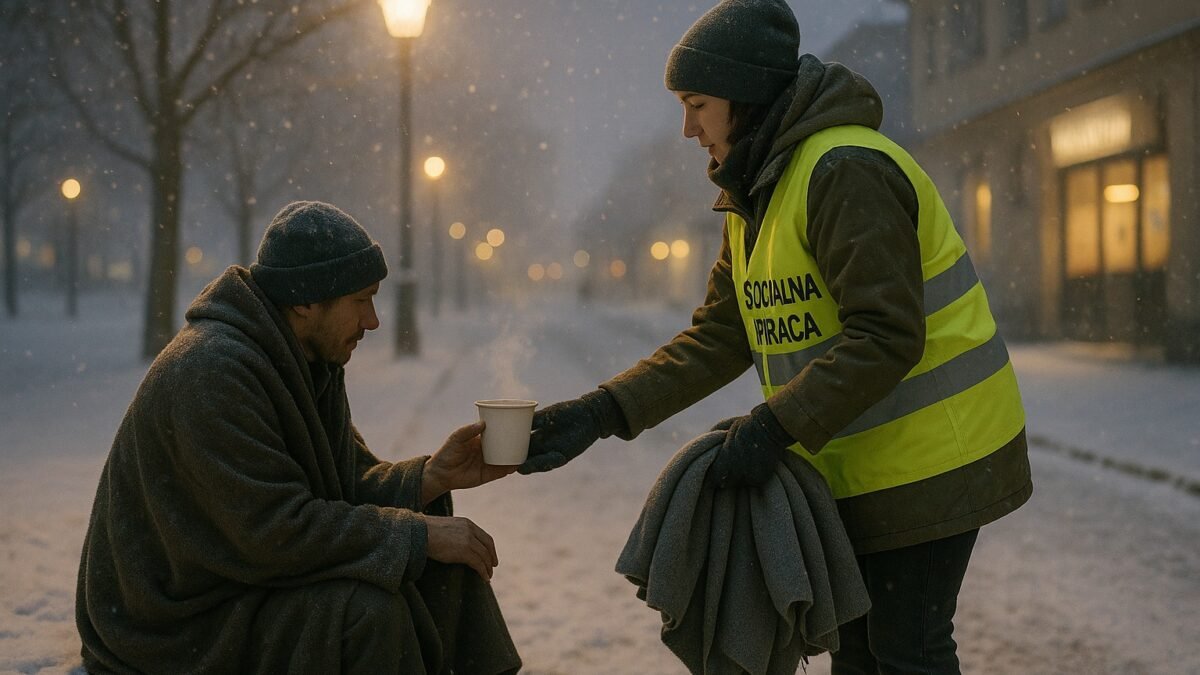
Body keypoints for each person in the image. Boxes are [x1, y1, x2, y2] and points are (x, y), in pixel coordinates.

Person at [520, 1, 1032, 672]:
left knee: (906, 650)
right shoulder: (757, 193)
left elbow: (886, 334)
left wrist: (772, 425)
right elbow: (718, 338)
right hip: (855, 464)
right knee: (858, 653)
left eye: (697, 106)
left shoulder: (843, 170)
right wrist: (600, 412)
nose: (688, 129)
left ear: (745, 95)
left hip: (937, 455)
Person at [76, 201, 522, 674]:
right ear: (305, 301)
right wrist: (416, 536)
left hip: (247, 576)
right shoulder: (212, 372)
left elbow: (341, 486)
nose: (373, 321)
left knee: (448, 556)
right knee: (368, 614)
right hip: (177, 616)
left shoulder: (306, 357)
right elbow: (272, 531)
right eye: (361, 300)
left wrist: (430, 478)